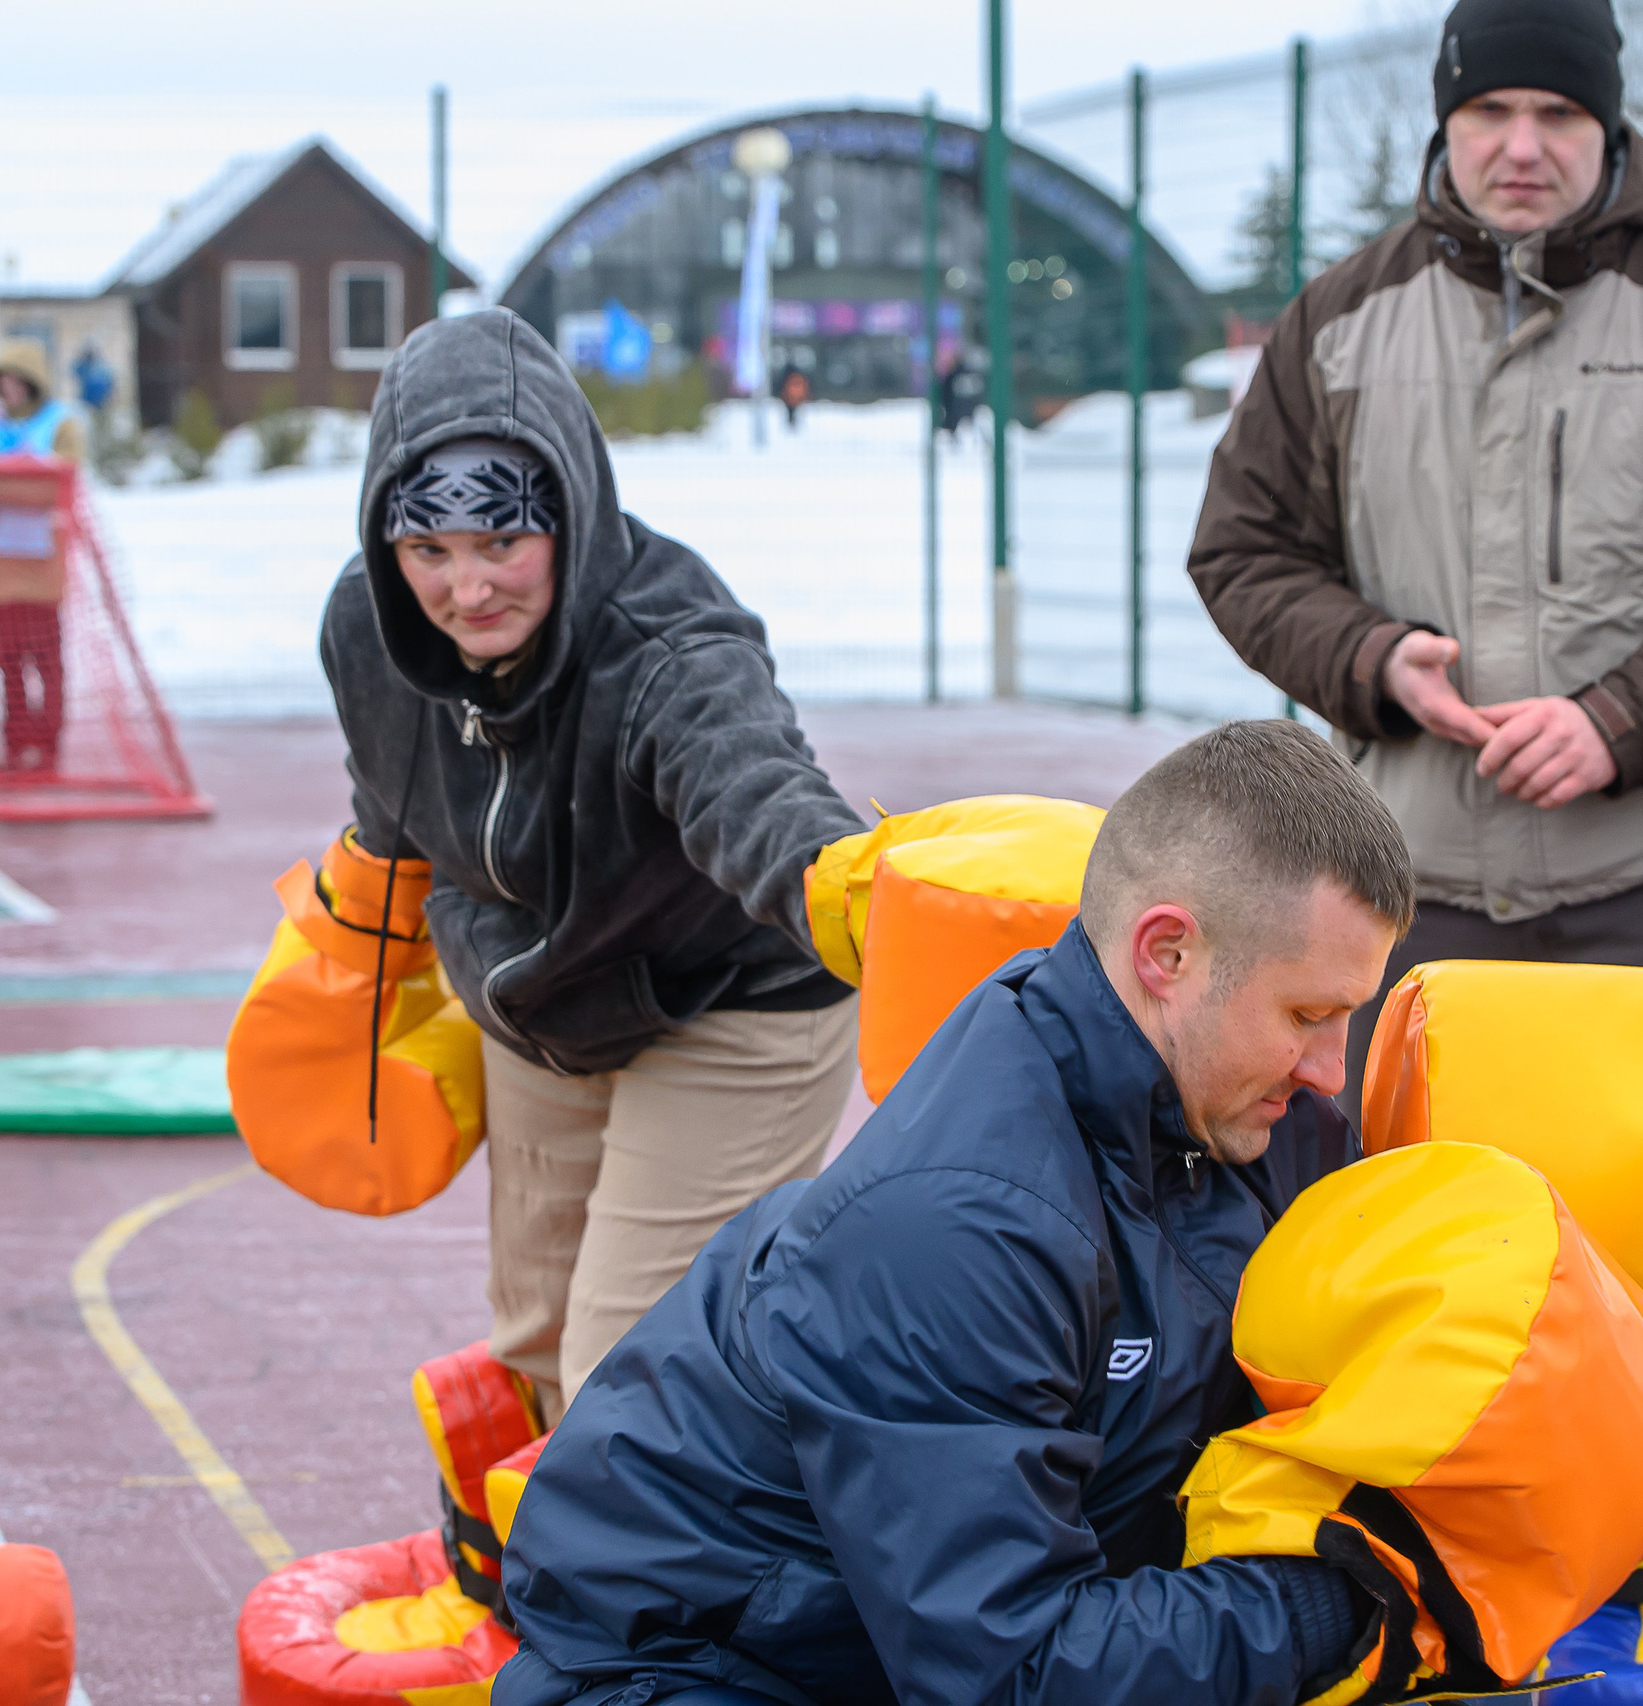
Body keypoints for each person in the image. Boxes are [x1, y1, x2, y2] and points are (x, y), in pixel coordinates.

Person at [1186, 0, 1643, 1376]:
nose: (1523, 146)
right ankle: (1429, 1589)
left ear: (1609, 128)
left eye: (1559, 115)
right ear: (1446, 125)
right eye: (1491, 113)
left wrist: (1620, 723)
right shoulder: (1342, 321)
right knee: (1406, 1264)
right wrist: (1372, 659)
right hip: (1408, 883)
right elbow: (1242, 550)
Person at [494, 720, 1415, 1706]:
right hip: (705, 1668)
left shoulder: (1256, 1114)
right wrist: (1358, 1589)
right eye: (1308, 1015)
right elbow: (1018, 1675)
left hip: (929, 1642)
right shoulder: (963, 1223)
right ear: (1167, 952)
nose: (1332, 1068)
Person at [325, 308, 865, 1425]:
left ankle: (669, 1596)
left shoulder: (665, 643)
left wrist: (852, 896)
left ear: (566, 515)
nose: (466, 588)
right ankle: (526, 1574)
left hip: (733, 996)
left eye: (500, 545)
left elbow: (750, 787)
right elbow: (392, 799)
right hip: (549, 992)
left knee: (632, 1356)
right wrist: (346, 960)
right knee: (533, 1336)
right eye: (429, 550)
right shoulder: (370, 631)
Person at [0, 342, 86, 778]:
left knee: (47, 663)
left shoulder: (60, 424)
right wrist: (11, 482)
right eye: (2, 380)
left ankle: (49, 748)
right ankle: (17, 747)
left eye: (17, 380)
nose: (8, 388)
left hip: (41, 570)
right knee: (7, 664)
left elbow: (58, 485)